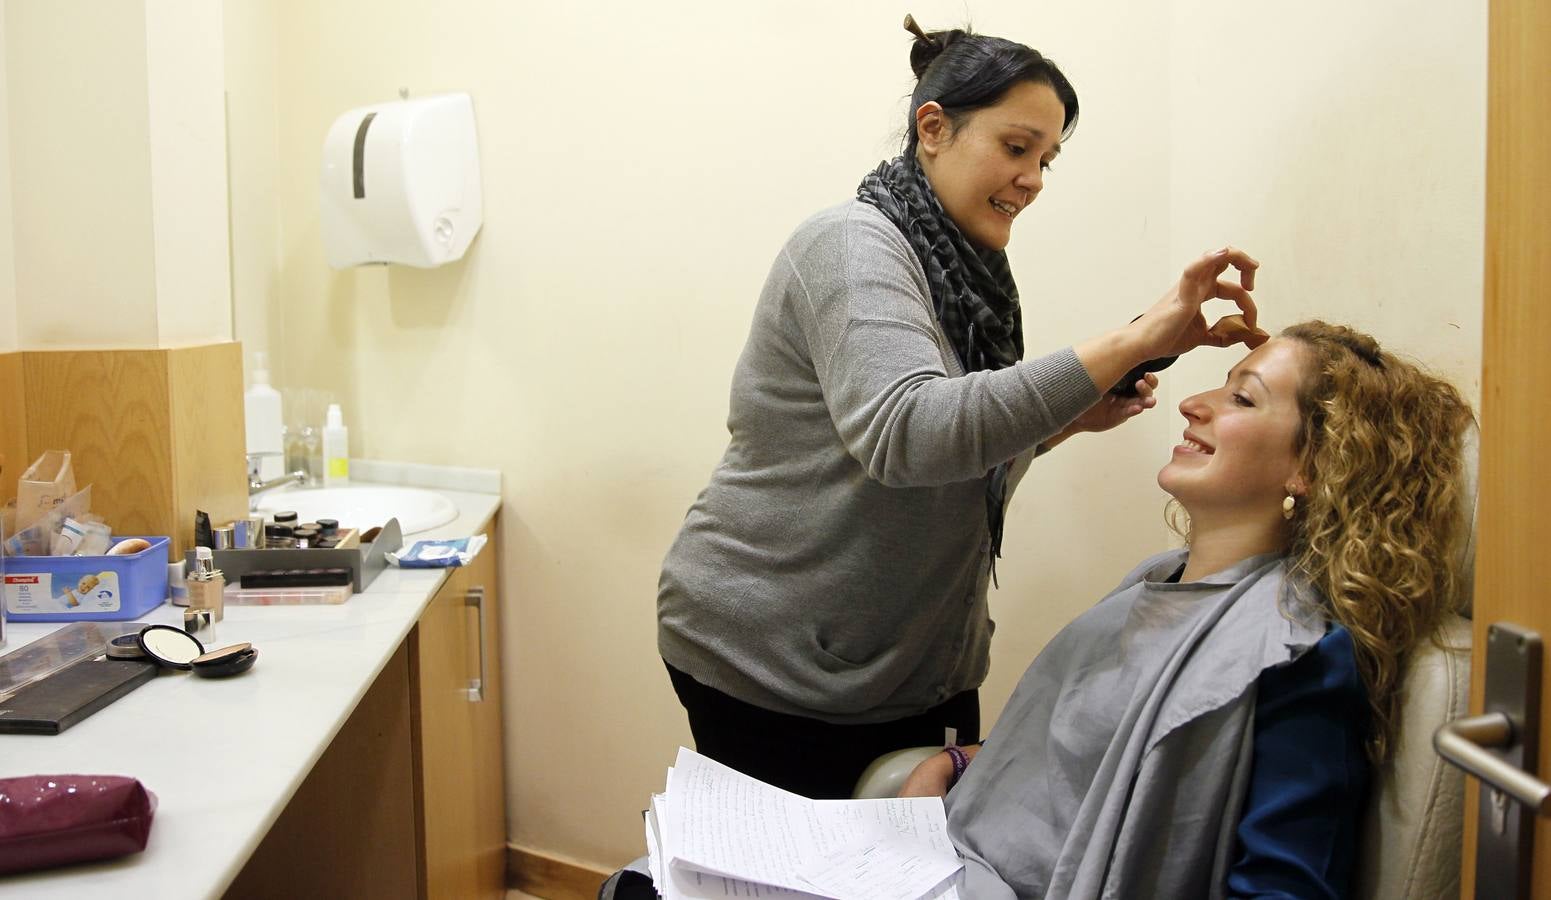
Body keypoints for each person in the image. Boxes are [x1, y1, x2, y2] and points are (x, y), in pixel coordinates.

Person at [656, 17, 1266, 800]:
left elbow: (954, 443)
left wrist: (1067, 418)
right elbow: (909, 434)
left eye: (1046, 160)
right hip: (777, 659)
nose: (1034, 179)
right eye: (1016, 148)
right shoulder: (850, 244)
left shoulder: (967, 278)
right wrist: (1131, 337)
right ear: (933, 128)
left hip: (911, 661)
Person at [893, 321, 1474, 898]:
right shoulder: (1152, 581)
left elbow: (1282, 886)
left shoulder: (1297, 655)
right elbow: (1089, 753)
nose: (1193, 404)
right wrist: (961, 765)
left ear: (1314, 465)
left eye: (1241, 397)